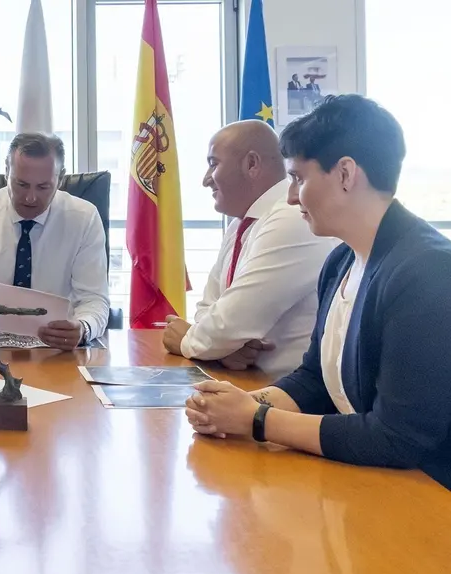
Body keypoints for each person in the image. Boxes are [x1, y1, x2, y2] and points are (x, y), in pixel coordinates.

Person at [186, 95, 451, 488]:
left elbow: (398, 438)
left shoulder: (425, 272)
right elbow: (314, 381)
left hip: (425, 495)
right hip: (368, 481)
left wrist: (257, 420)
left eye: (298, 178)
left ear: (345, 174)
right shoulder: (341, 261)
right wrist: (238, 405)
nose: (291, 197)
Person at [162, 120, 337, 379]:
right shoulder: (240, 224)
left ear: (252, 164)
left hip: (293, 397)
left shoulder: (291, 217)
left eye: (213, 163)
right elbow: (209, 309)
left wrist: (189, 340)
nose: (205, 180)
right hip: (248, 384)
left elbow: (229, 324)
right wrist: (221, 347)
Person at [0, 132, 110, 351]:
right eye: (21, 184)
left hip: (56, 353)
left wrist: (83, 328)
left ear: (61, 179)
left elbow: (94, 300)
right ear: (7, 172)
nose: (30, 198)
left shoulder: (84, 218)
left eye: (43, 187)